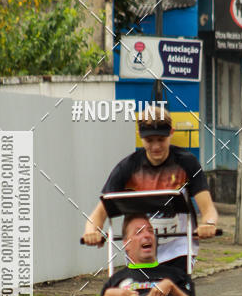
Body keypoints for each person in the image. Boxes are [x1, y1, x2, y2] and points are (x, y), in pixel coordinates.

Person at [82, 106, 218, 270]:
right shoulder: (128, 167)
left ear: (171, 133)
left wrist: (208, 224)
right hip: (139, 251)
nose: (155, 146)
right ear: (140, 137)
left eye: (161, 139)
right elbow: (100, 212)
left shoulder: (186, 163)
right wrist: (92, 231)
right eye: (149, 140)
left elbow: (208, 208)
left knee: (174, 289)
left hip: (178, 248)